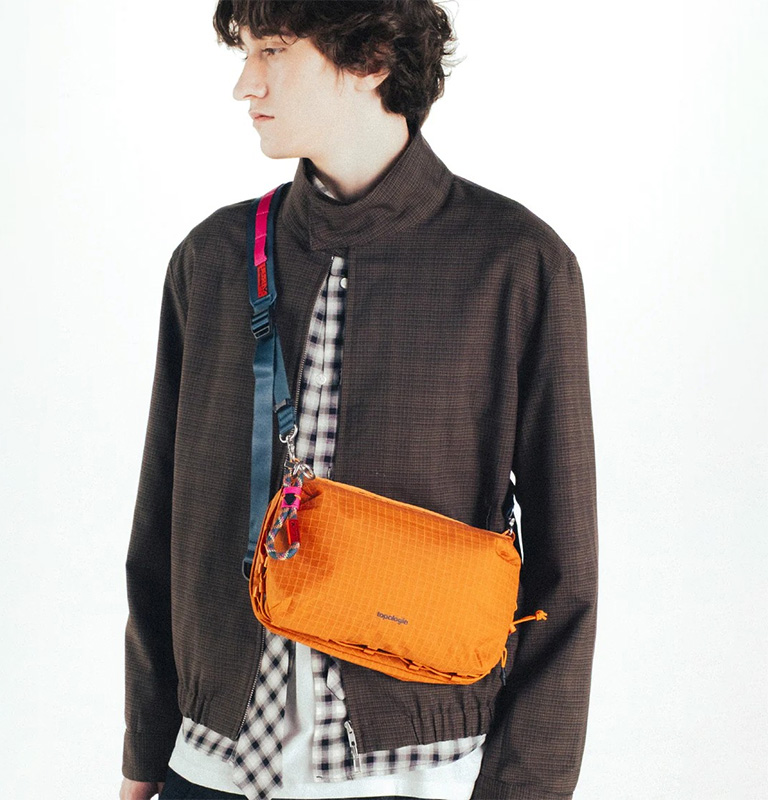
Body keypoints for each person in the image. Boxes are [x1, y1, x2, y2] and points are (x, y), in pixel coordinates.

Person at [119, 2, 598, 799]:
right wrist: (145, 756)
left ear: (371, 57)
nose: (245, 83)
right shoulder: (211, 259)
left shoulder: (516, 264)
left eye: (273, 50)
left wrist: (528, 788)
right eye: (245, 52)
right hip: (208, 764)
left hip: (414, 771)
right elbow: (160, 533)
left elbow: (564, 568)